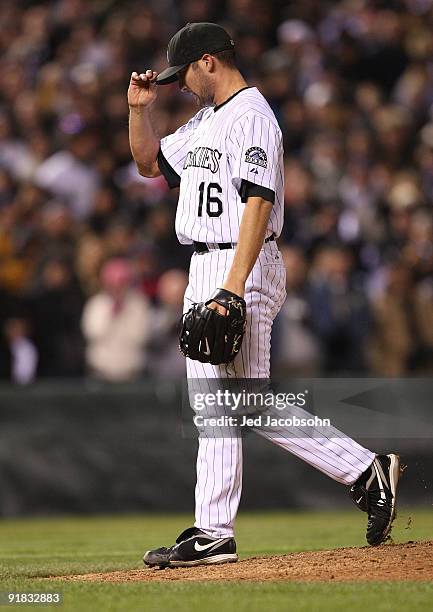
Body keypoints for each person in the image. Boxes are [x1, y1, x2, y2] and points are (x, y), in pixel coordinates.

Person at [128, 22, 401, 569]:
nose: (181, 85)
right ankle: (360, 472)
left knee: (227, 404)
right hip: (206, 261)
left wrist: (232, 287)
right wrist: (139, 109)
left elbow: (257, 202)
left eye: (185, 74)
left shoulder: (252, 115)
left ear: (210, 61)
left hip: (239, 262)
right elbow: (148, 163)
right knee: (235, 405)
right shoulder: (207, 119)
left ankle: (218, 530)